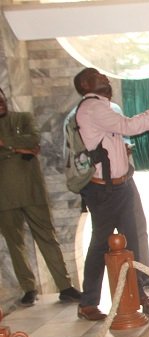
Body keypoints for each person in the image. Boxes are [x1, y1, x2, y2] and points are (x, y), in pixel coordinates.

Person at [72, 68, 149, 321]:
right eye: (96, 75)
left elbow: (116, 134)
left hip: (121, 184)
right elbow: (131, 126)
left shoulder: (105, 107)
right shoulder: (92, 107)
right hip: (104, 189)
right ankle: (88, 302)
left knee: (132, 240)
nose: (104, 76)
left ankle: (137, 293)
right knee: (101, 243)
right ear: (85, 84)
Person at [0, 87, 82, 307]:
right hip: (4, 197)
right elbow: (27, 145)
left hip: (33, 191)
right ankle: (28, 288)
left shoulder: (23, 118)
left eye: (1, 98)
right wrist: (20, 149)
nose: (0, 103)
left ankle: (65, 287)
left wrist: (7, 146)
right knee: (14, 243)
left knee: (47, 237)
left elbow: (34, 139)